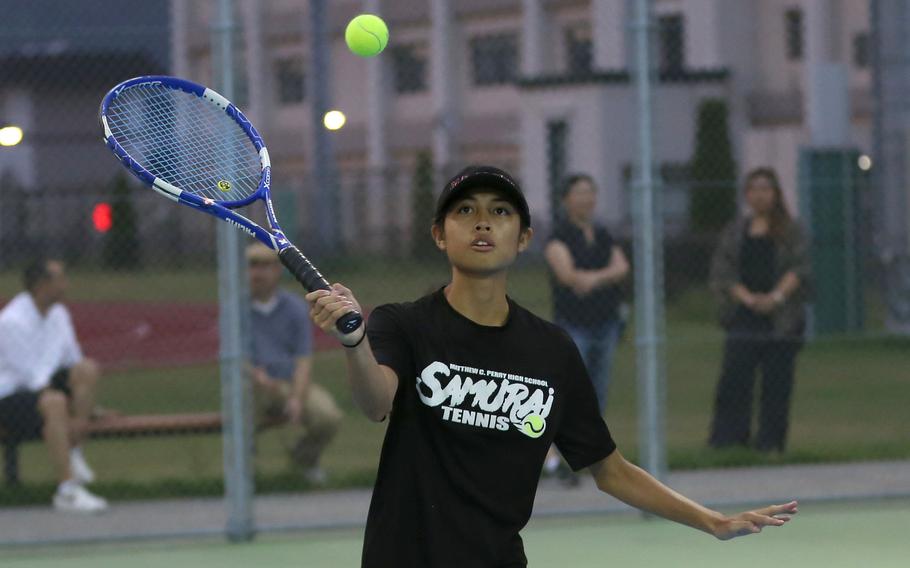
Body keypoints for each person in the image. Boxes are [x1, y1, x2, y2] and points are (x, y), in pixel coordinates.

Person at [305, 165, 798, 568]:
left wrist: (711, 521)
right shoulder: (404, 324)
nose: (483, 222)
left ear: (523, 238)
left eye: (500, 212)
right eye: (465, 211)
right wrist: (355, 342)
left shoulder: (552, 351)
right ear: (439, 235)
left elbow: (610, 470)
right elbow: (376, 403)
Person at [708, 167, 811, 453]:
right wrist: (747, 298)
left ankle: (770, 444)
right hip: (744, 316)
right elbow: (724, 271)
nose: (760, 194)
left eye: (766, 188)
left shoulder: (792, 230)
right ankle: (728, 441)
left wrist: (775, 298)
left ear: (776, 193)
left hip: (781, 320)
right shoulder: (736, 231)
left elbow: (800, 269)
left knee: (777, 384)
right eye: (753, 188)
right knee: (734, 379)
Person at [0, 258, 108, 513]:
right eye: (60, 280)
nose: (66, 285)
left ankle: (75, 453)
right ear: (41, 285)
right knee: (54, 403)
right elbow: (31, 379)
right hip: (11, 396)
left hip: (44, 385)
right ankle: (67, 491)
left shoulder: (59, 314)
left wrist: (89, 408)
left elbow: (74, 360)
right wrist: (69, 410)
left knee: (87, 370)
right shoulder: (11, 322)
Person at [543, 174, 630, 484]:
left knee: (596, 397)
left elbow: (622, 268)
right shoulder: (559, 236)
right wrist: (601, 275)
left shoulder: (603, 234)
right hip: (573, 326)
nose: (586, 198)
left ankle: (586, 458)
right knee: (567, 395)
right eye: (579, 193)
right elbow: (568, 277)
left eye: (590, 192)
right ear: (566, 200)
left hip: (604, 325)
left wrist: (592, 278)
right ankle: (552, 459)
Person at [246, 243, 342, 484]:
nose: (257, 273)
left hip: (289, 383)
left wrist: (297, 398)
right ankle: (246, 477)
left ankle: (304, 460)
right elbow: (232, 358)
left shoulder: (295, 308)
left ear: (277, 270)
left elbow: (303, 359)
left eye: (264, 266)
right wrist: (255, 376)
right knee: (242, 416)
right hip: (251, 387)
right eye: (251, 266)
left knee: (328, 416)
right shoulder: (235, 309)